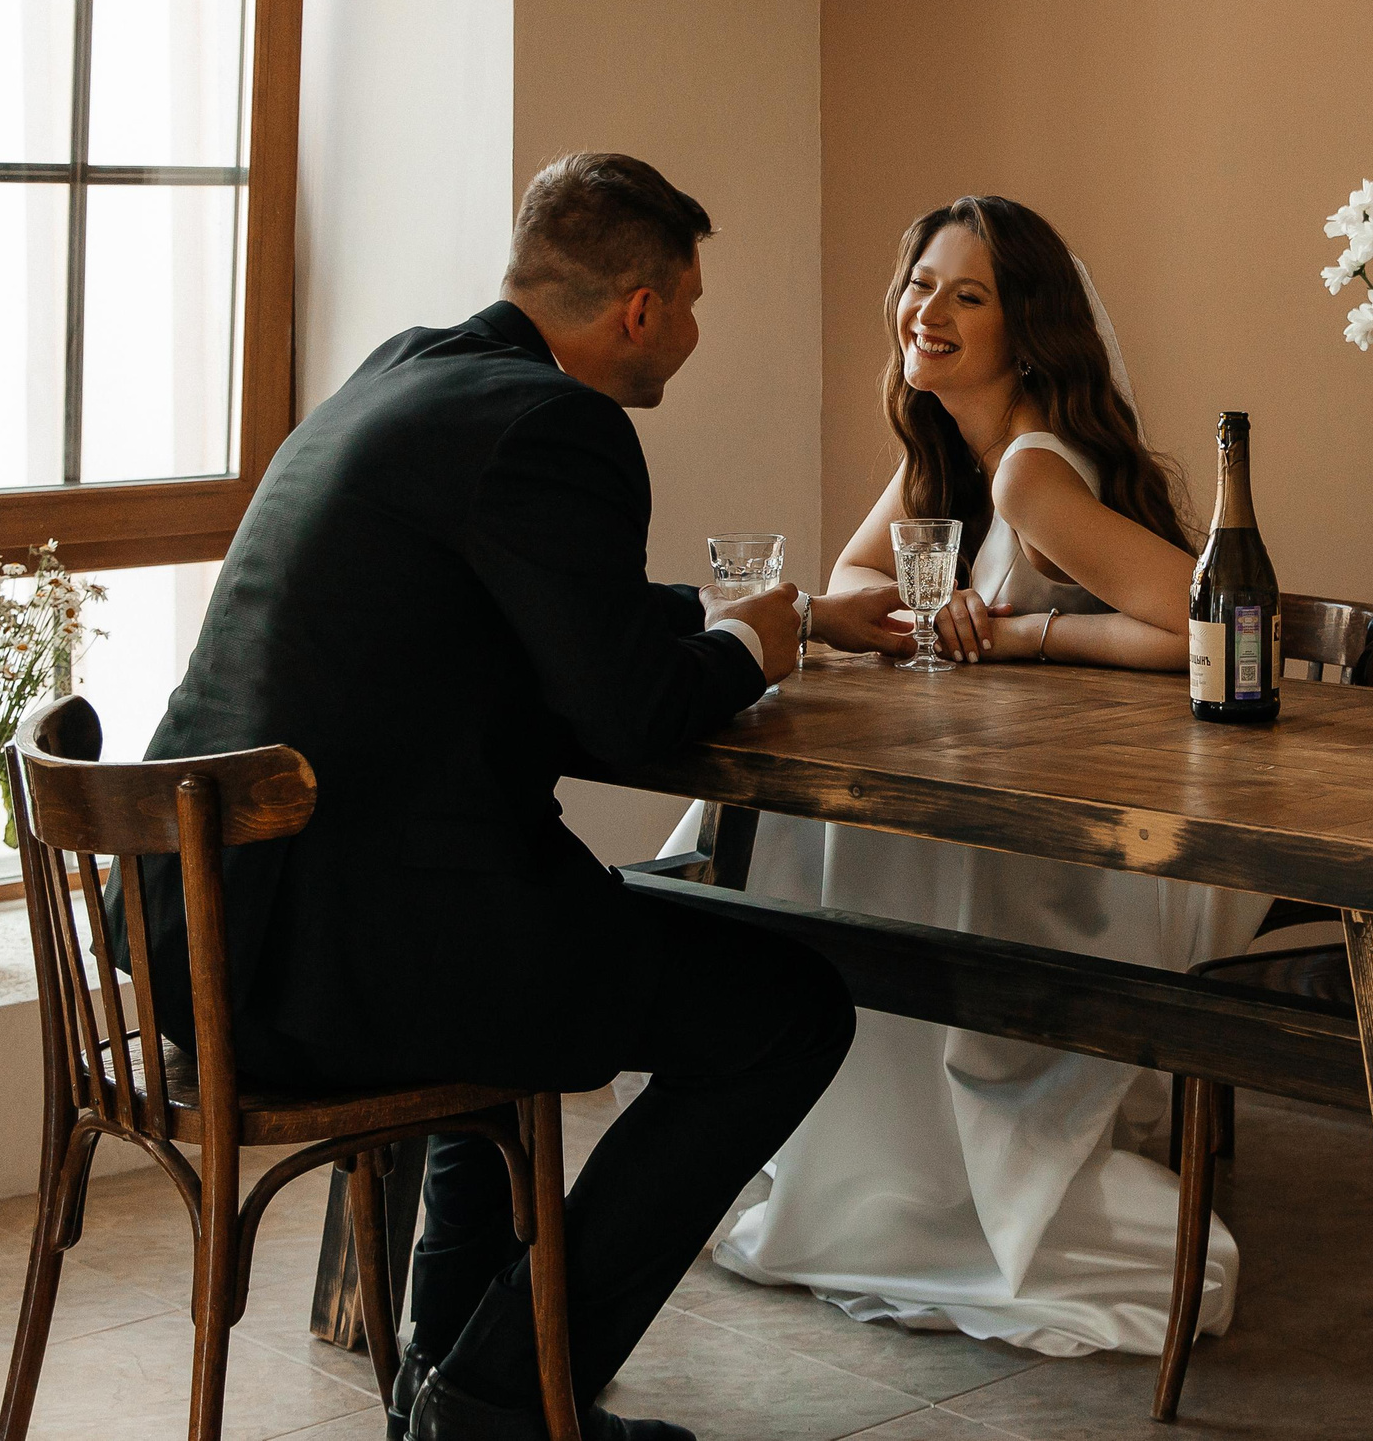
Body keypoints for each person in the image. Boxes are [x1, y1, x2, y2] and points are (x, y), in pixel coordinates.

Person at [120, 153, 909, 1441]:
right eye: (691, 306)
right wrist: (751, 652)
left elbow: (559, 615)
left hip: (208, 938)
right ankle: (499, 1399)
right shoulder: (560, 427)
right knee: (787, 1012)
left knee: (524, 972)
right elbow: (628, 709)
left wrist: (793, 615)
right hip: (344, 960)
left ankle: (460, 1379)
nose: (693, 335)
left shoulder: (404, 373)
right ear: (640, 309)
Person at [670, 195, 1273, 1357]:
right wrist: (927, 611)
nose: (927, 311)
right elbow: (853, 579)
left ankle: (888, 1170)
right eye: (919, 284)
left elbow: (1206, 623)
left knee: (798, 839)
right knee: (812, 828)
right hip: (999, 804)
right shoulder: (951, 450)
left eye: (967, 295)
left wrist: (1019, 636)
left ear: (1025, 328)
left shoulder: (1030, 475)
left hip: (1093, 854)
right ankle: (844, 1140)